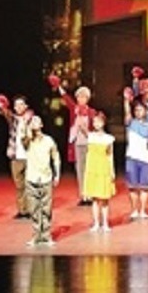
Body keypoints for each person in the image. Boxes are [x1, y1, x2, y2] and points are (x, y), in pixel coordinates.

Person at [49, 74, 96, 206]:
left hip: (90, 144)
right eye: (79, 96)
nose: (81, 99)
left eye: (84, 97)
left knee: (89, 169)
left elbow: (96, 128)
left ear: (88, 98)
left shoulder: (92, 112)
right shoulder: (74, 109)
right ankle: (83, 195)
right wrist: (58, 86)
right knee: (80, 169)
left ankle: (90, 195)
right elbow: (66, 97)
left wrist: (86, 130)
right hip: (77, 143)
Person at [22, 115, 61, 247]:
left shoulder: (48, 140)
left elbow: (56, 157)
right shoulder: (28, 140)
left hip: (45, 178)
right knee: (34, 209)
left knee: (46, 209)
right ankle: (35, 235)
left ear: (42, 125)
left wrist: (57, 174)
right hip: (31, 177)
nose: (34, 123)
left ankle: (46, 235)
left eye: (37, 121)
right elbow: (24, 141)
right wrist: (28, 127)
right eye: (32, 121)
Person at [123, 92, 148, 220]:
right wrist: (126, 100)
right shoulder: (130, 123)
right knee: (132, 187)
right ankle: (134, 210)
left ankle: (143, 210)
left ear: (146, 111)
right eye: (136, 110)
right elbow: (127, 113)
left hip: (145, 159)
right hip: (131, 158)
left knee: (145, 187)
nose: (138, 112)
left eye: (141, 110)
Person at [0, 94, 34, 219]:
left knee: (29, 184)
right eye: (16, 105)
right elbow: (7, 113)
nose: (18, 107)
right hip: (15, 156)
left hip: (29, 156)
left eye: (21, 104)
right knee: (19, 185)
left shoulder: (31, 119)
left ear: (26, 106)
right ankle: (22, 210)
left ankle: (31, 209)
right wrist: (2, 106)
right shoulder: (13, 119)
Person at [83, 111, 116, 232]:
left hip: (103, 168)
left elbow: (110, 155)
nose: (96, 124)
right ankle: (96, 223)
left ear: (103, 123)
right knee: (95, 199)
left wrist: (112, 171)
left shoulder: (108, 139)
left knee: (104, 198)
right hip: (92, 168)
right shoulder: (90, 136)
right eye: (94, 122)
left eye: (99, 121)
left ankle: (105, 223)